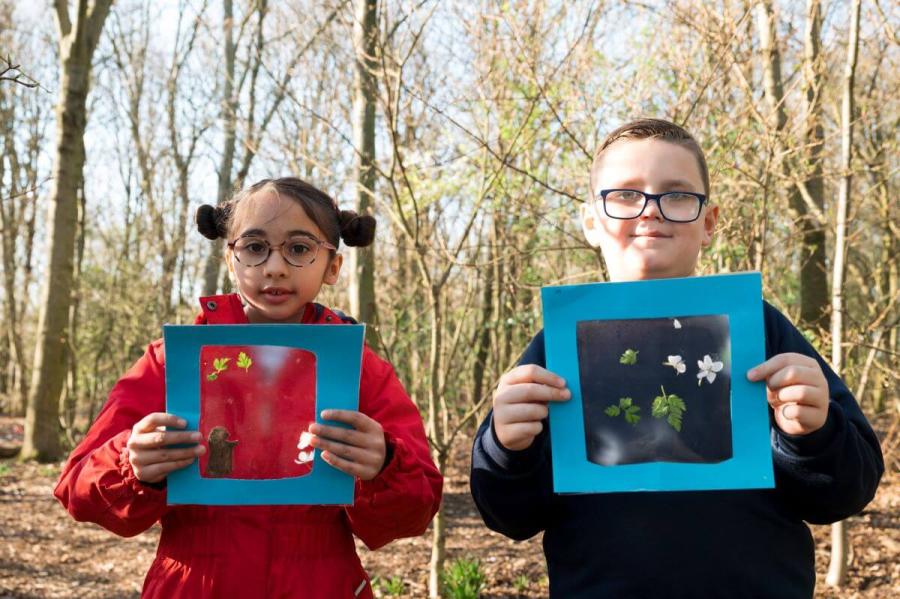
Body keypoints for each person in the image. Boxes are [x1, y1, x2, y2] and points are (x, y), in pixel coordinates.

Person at [469, 118, 883, 598]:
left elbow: (847, 490)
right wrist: (507, 449)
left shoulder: (758, 329)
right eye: (625, 195)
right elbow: (509, 516)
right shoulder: (560, 346)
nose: (650, 211)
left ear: (709, 222)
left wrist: (814, 436)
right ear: (590, 222)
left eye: (678, 195)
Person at [55, 177, 443, 598]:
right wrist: (132, 464)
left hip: (321, 584)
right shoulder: (174, 361)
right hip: (194, 585)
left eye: (299, 248)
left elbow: (415, 513)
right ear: (230, 259)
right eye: (255, 247)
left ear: (332, 266)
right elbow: (78, 490)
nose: (274, 266)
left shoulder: (360, 370)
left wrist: (384, 464)